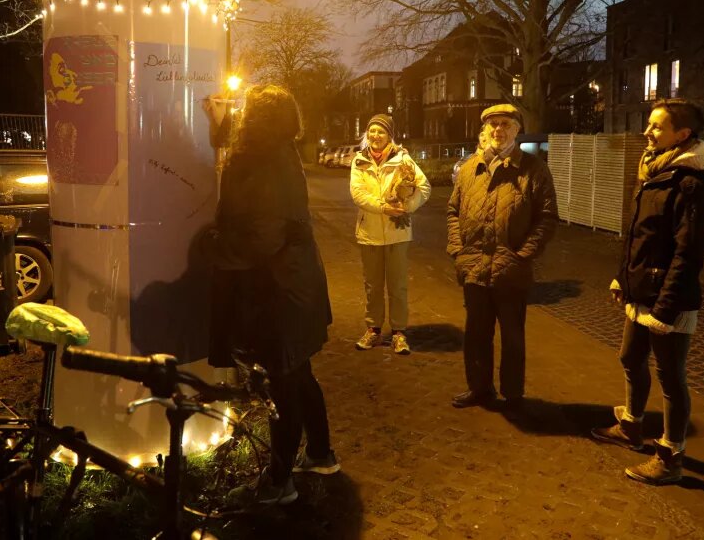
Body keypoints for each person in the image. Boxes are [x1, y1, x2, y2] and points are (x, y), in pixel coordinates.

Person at [200, 85, 339, 505]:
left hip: (275, 293)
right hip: (296, 287)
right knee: (300, 374)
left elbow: (262, 236)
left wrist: (210, 248)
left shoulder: (261, 159)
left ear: (257, 119)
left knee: (284, 384)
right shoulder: (279, 152)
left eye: (245, 112)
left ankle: (279, 482)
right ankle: (320, 454)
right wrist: (221, 128)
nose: (239, 116)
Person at [590, 100, 704, 485]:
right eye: (649, 124)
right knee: (630, 357)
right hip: (641, 289)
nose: (648, 131)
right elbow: (637, 235)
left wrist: (665, 308)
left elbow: (688, 252)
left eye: (657, 127)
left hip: (668, 299)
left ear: (683, 135)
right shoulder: (653, 169)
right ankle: (632, 425)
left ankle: (670, 455)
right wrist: (622, 278)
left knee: (671, 377)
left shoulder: (692, 181)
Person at [446, 104, 557, 419]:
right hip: (474, 268)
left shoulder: (533, 169)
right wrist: (458, 249)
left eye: (505, 124)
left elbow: (546, 218)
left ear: (516, 129)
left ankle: (512, 393)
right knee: (476, 333)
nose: (498, 130)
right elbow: (453, 210)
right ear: (484, 131)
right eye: (493, 125)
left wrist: (522, 255)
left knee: (512, 336)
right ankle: (480, 388)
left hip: (510, 271)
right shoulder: (469, 170)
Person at [351, 114, 431, 354]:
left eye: (381, 132)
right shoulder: (359, 161)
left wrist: (407, 207)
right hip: (369, 232)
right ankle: (373, 329)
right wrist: (383, 207)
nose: (376, 136)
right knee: (372, 286)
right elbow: (358, 194)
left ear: (389, 136)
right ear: (367, 134)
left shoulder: (403, 159)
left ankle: (398, 332)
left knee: (397, 285)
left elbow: (424, 187)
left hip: (398, 233)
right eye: (372, 131)